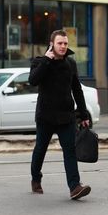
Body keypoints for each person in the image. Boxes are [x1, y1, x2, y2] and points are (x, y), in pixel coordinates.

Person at [29, 29, 91, 200]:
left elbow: (77, 90)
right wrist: (47, 61)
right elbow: (33, 80)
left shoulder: (70, 64)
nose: (63, 46)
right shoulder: (39, 62)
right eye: (60, 43)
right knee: (40, 150)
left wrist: (83, 115)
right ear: (52, 44)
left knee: (70, 150)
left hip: (66, 116)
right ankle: (35, 178)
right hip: (45, 117)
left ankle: (75, 187)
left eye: (65, 43)